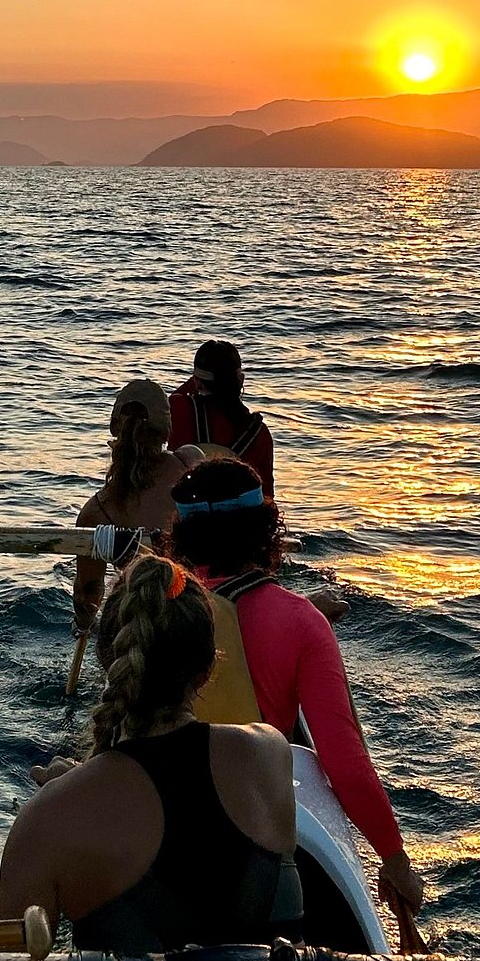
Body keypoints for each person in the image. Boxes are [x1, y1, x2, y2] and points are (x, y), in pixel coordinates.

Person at [0, 554, 300, 961]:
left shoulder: (49, 821)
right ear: (207, 670)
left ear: (107, 663)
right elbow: (181, 803)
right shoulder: (270, 755)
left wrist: (70, 789)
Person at [167, 457, 425, 914]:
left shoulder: (153, 612)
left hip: (164, 822)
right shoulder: (301, 623)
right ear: (267, 530)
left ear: (181, 534)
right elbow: (345, 767)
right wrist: (394, 859)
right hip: (252, 838)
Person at [71, 379, 193, 632]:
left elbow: (87, 595)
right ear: (166, 431)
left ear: (114, 427)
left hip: (138, 618)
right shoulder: (191, 464)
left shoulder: (97, 511)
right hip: (194, 605)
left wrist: (82, 625)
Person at [169, 339, 276, 497]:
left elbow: (170, 401)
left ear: (197, 382)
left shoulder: (178, 409)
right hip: (238, 512)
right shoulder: (259, 433)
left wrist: (197, 382)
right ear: (240, 380)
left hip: (187, 510)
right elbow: (267, 495)